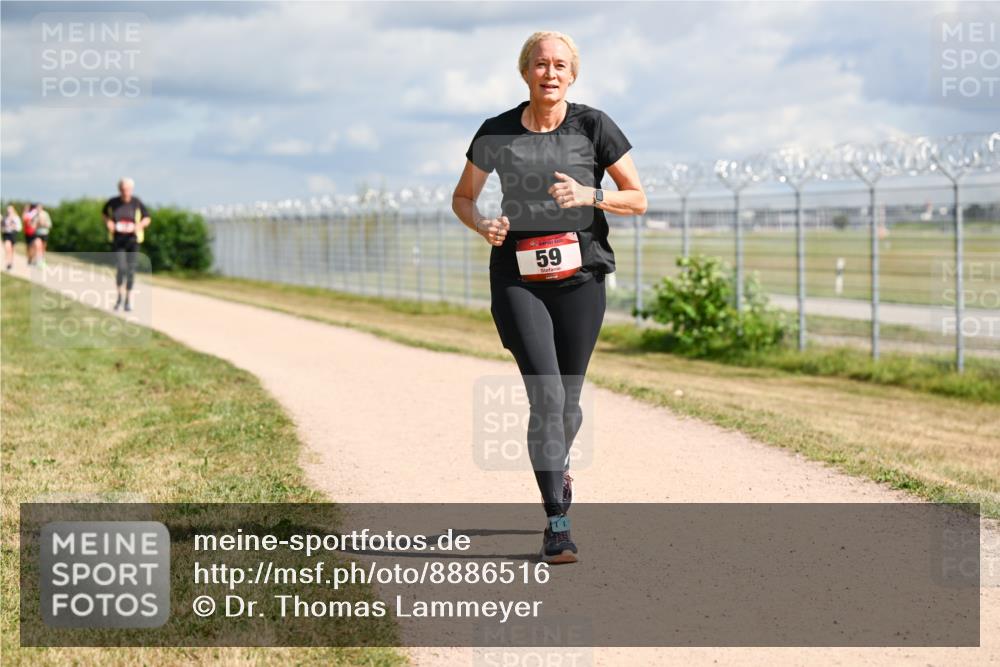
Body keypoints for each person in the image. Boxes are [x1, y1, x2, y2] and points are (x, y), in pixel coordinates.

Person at [452, 31, 646, 564]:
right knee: (547, 396)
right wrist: (482, 224)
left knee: (569, 402)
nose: (551, 73)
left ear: (573, 74)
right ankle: (557, 522)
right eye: (541, 65)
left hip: (581, 280)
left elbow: (638, 198)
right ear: (525, 72)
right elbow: (463, 198)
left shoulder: (594, 126)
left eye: (561, 65)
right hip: (518, 278)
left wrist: (591, 195)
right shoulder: (497, 132)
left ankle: (557, 466)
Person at [102, 177, 151, 312]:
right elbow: (104, 214)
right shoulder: (113, 202)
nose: (125, 192)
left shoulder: (137, 202)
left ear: (131, 189)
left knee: (131, 270)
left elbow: (147, 218)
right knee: (121, 268)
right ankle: (119, 298)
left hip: (133, 240)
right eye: (123, 189)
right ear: (119, 189)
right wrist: (109, 223)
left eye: (128, 189)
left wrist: (139, 226)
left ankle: (128, 299)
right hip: (118, 240)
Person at [3, 205, 22, 270]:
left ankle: (10, 262)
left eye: (10, 210)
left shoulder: (16, 218)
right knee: (7, 246)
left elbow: (19, 228)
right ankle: (8, 262)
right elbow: (2, 226)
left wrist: (14, 226)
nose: (9, 211)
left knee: (12, 249)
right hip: (6, 234)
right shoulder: (5, 218)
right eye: (8, 210)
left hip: (13, 234)